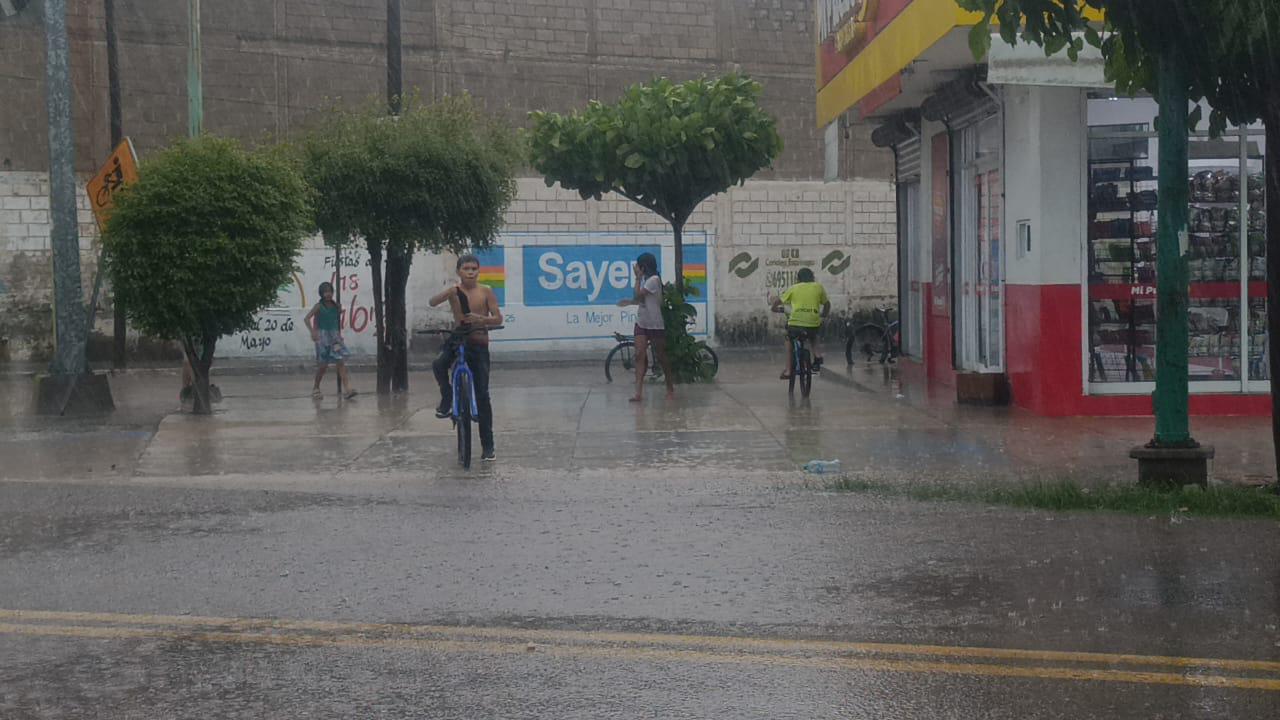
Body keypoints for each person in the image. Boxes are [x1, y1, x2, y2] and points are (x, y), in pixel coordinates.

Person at [430, 254, 502, 461]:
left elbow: (498, 318)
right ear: (458, 272)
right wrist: (449, 292)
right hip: (458, 338)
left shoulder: (486, 291)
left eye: (474, 269)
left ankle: (488, 446)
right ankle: (447, 397)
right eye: (466, 269)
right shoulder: (454, 291)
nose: (470, 272)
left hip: (479, 342)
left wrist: (481, 319)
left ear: (478, 271)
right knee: (439, 364)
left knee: (482, 395)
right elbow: (432, 302)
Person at [616, 252, 674, 402]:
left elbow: (638, 295)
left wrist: (637, 278)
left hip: (654, 323)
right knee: (639, 354)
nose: (635, 268)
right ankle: (638, 393)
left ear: (643, 267)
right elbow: (640, 300)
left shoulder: (653, 280)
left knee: (661, 356)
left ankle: (670, 387)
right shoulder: (647, 281)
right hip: (642, 322)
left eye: (637, 266)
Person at [770, 267, 830, 379]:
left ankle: (788, 371)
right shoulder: (818, 287)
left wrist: (774, 308)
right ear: (812, 277)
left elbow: (779, 301)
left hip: (795, 325)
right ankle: (817, 356)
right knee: (813, 335)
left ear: (798, 278)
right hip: (812, 323)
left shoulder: (794, 288)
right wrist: (823, 315)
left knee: (789, 339)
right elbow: (827, 304)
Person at [304, 281, 357, 400]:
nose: (328, 294)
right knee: (323, 365)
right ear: (321, 294)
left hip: (335, 338)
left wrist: (338, 335)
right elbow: (306, 319)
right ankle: (316, 388)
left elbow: (336, 320)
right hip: (322, 338)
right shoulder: (318, 306)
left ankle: (348, 389)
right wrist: (313, 332)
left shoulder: (336, 306)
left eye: (330, 292)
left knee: (340, 362)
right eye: (325, 292)